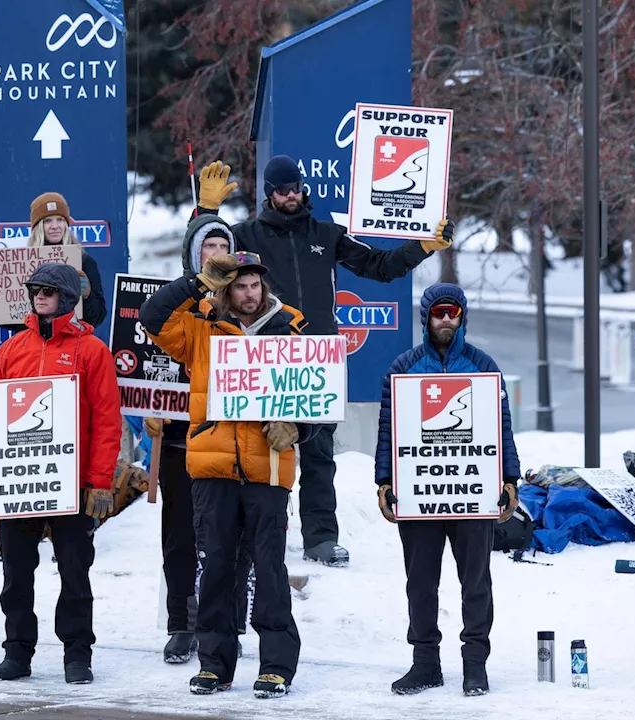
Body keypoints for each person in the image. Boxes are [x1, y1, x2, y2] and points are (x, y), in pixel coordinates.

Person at [195, 157, 457, 568]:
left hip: (317, 358)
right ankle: (259, 538)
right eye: (282, 190)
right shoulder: (246, 235)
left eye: (296, 187)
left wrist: (422, 246)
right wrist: (207, 212)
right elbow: (205, 257)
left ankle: (321, 538)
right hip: (264, 355)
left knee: (319, 453)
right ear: (269, 193)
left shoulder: (327, 234)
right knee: (259, 451)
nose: (291, 195)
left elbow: (379, 266)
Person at [140, 252, 309, 699]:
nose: (249, 294)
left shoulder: (292, 327)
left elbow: (320, 393)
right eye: (239, 285)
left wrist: (300, 427)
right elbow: (151, 317)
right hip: (212, 465)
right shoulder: (200, 326)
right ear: (225, 288)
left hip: (268, 468)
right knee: (215, 565)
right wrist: (196, 282)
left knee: (269, 568)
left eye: (255, 285)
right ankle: (215, 664)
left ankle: (275, 666)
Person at [0, 263, 119, 685]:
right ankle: (17, 652)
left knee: (74, 571)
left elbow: (107, 421)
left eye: (48, 290)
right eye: (35, 289)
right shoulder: (13, 348)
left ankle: (77, 655)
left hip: (72, 485)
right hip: (18, 483)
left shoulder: (92, 352)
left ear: (68, 297)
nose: (39, 295)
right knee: (15, 571)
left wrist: (101, 482)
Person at [374, 283, 521, 697]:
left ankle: (475, 664)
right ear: (426, 317)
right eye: (438, 313)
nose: (445, 320)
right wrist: (384, 481)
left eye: (452, 313)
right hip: (419, 496)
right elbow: (388, 431)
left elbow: (501, 427)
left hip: (472, 495)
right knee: (420, 582)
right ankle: (425, 664)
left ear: (462, 316)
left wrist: (510, 479)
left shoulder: (482, 364)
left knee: (476, 583)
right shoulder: (403, 366)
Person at [142, 214, 254, 664]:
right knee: (181, 538)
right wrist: (146, 405)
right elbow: (148, 342)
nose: (217, 256)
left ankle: (229, 623)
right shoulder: (182, 302)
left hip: (235, 441)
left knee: (233, 539)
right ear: (195, 255)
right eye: (208, 247)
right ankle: (182, 624)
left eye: (224, 246)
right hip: (178, 441)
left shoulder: (249, 307)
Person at [25, 192, 106, 328]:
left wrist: (87, 296)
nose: (55, 226)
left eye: (60, 219)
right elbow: (14, 320)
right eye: (47, 221)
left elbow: (97, 317)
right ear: (38, 227)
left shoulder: (84, 261)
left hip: (73, 341)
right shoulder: (24, 261)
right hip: (36, 343)